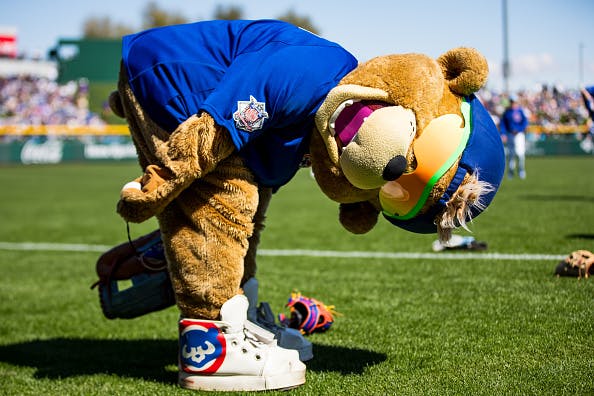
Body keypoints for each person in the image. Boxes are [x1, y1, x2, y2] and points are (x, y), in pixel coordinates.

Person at [499, 96, 529, 179]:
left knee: (520, 153)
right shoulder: (507, 112)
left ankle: (521, 170)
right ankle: (511, 172)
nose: (513, 103)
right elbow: (503, 124)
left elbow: (525, 122)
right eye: (512, 102)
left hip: (519, 134)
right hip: (510, 134)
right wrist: (503, 133)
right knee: (511, 154)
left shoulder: (520, 111)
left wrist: (519, 129)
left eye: (514, 102)